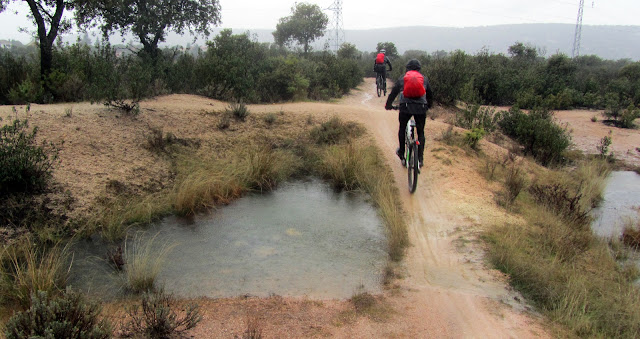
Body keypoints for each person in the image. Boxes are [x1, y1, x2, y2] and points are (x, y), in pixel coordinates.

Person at [385, 59, 434, 169]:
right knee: (420, 132)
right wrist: (428, 106)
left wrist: (388, 105)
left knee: (402, 128)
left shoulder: (403, 78)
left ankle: (402, 152)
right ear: (419, 69)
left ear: (407, 68)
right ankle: (420, 160)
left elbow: (393, 93)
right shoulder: (424, 79)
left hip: (405, 107)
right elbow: (430, 94)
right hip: (421, 108)